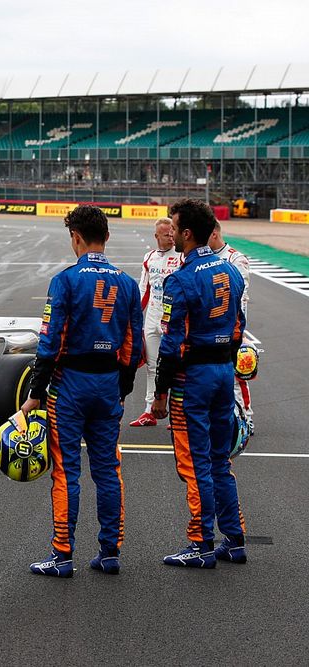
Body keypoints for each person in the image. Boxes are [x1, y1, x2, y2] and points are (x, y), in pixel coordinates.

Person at [20, 205, 143, 577]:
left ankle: (62, 555)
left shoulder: (66, 280)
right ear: (105, 237)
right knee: (108, 470)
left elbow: (49, 341)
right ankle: (109, 552)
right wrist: (122, 387)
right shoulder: (128, 282)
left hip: (69, 386)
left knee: (66, 472)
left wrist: (35, 391)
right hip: (108, 384)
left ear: (75, 237)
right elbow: (134, 345)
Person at [152, 199, 247, 568]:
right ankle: (234, 540)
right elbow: (239, 328)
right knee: (220, 461)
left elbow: (172, 344)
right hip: (224, 373)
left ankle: (200, 543)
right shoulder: (231, 271)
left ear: (187, 234)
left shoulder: (181, 279)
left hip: (192, 379)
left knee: (195, 464)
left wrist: (160, 391)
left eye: (174, 228)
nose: (171, 234)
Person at [130, 217, 180, 427]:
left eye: (172, 232)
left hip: (174, 317)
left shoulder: (182, 256)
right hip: (153, 316)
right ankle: (149, 410)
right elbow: (144, 290)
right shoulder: (149, 257)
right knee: (152, 366)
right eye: (166, 233)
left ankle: (178, 413)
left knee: (177, 365)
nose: (170, 236)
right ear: (156, 236)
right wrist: (133, 317)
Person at [209, 220, 254, 427]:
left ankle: (247, 417)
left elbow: (240, 297)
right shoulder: (200, 257)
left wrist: (241, 331)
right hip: (208, 327)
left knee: (237, 374)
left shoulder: (236, 259)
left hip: (231, 327)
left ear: (214, 235)